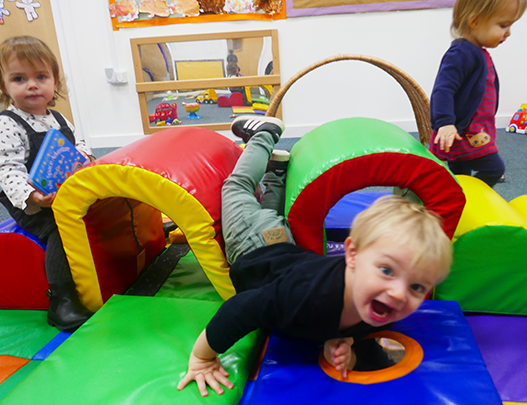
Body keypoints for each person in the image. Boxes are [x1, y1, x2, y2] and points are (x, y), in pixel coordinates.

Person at [178, 115, 452, 397]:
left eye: (417, 287)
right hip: (251, 244)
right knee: (236, 187)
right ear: (352, 255)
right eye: (386, 270)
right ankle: (264, 135)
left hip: (283, 245)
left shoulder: (384, 307)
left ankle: (276, 171)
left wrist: (343, 345)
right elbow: (239, 310)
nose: (398, 293)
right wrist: (202, 357)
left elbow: (351, 335)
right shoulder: (305, 295)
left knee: (270, 213)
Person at [0, 36, 94, 330]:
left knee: (97, 212)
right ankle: (60, 299)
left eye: (41, 77)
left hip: (67, 192)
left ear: (55, 82)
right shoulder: (6, 123)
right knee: (60, 230)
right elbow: (7, 167)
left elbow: (80, 144)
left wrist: (83, 156)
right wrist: (31, 195)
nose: (32, 85)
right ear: (4, 86)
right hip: (32, 204)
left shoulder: (58, 117)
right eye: (19, 78)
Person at [430, 0, 525, 187]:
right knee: (494, 169)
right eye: (503, 25)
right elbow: (443, 89)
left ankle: (462, 200)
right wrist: (445, 123)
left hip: (473, 130)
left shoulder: (477, 52)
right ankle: (467, 198)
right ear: (475, 21)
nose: (509, 32)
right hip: (463, 133)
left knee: (460, 172)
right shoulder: (461, 53)